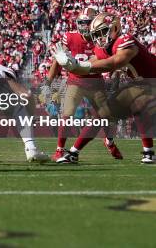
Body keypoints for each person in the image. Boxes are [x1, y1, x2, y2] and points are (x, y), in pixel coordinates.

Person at [52, 13, 155, 164]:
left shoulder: (126, 41)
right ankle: (73, 153)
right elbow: (89, 65)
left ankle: (149, 152)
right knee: (103, 114)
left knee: (136, 103)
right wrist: (70, 64)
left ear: (114, 27)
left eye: (102, 32)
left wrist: (80, 66)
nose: (99, 38)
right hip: (141, 84)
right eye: (96, 34)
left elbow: (115, 62)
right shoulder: (104, 49)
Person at [43, 8, 122, 161]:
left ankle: (109, 141)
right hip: (75, 82)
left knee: (107, 116)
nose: (84, 26)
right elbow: (58, 60)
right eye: (81, 23)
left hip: (96, 82)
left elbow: (111, 61)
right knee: (66, 115)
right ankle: (59, 149)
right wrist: (48, 81)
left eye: (87, 23)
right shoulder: (70, 37)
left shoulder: (101, 38)